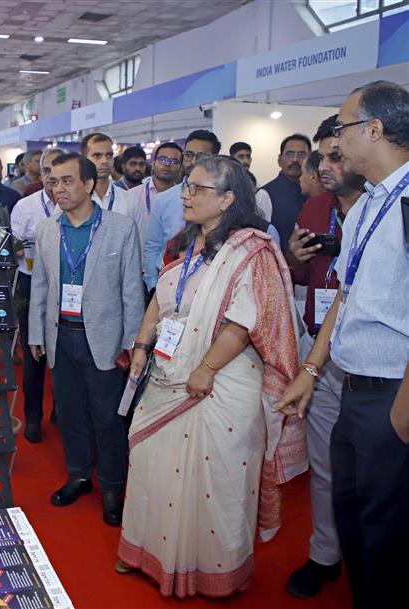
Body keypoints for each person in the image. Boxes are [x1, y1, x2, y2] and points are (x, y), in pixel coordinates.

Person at [117, 155, 306, 598]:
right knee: (151, 467)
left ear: (227, 199)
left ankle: (213, 572)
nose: (185, 194)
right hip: (167, 376)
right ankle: (146, 552)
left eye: (197, 189)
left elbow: (244, 322)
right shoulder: (188, 243)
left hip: (221, 385)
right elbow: (161, 298)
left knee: (215, 480)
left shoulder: (252, 250)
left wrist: (204, 370)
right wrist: (143, 344)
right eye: (186, 185)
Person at [275, 80, 409, 609]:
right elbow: (343, 296)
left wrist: (403, 408)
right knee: (355, 519)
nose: (336, 138)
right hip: (352, 389)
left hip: (391, 396)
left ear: (374, 130)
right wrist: (310, 371)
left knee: (389, 533)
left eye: (344, 125)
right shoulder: (370, 202)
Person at [28, 153, 144, 526]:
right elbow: (40, 285)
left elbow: (131, 291)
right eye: (53, 180)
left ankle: (112, 486)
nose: (57, 187)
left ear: (89, 184)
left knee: (109, 419)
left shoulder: (121, 228)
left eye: (66, 180)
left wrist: (133, 343)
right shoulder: (47, 230)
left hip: (106, 340)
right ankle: (79, 475)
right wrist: (35, 333)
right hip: (61, 336)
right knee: (70, 414)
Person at [284, 113, 365, 600]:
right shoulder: (315, 207)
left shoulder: (382, 208)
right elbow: (301, 278)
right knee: (324, 467)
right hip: (320, 351)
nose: (326, 165)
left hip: (371, 362)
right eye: (322, 157)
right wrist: (294, 256)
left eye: (336, 155)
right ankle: (324, 554)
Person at [10, 147, 65, 443]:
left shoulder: (76, 205)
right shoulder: (25, 206)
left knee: (65, 353)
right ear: (40, 173)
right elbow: (12, 248)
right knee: (34, 355)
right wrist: (26, 243)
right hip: (31, 283)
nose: (52, 179)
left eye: (59, 173)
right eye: (47, 172)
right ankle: (33, 417)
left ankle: (60, 410)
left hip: (67, 287)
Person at [143, 129, 221, 293]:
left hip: (207, 286)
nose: (193, 161)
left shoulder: (221, 200)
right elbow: (153, 246)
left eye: (201, 157)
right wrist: (152, 285)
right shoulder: (165, 199)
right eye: (188, 155)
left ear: (215, 158)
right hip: (166, 281)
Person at [259, 133, 312, 254]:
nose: (295, 160)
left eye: (301, 154)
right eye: (289, 154)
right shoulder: (265, 194)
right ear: (279, 159)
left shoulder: (319, 193)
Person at [129, 142, 182, 245]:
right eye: (162, 159)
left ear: (180, 168)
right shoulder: (132, 196)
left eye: (174, 161)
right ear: (153, 163)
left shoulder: (185, 198)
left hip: (173, 258)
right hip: (141, 257)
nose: (167, 164)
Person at [82, 133, 139, 225]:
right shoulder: (72, 199)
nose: (104, 161)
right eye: (97, 155)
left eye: (109, 155)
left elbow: (137, 237)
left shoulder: (129, 200)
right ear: (84, 159)